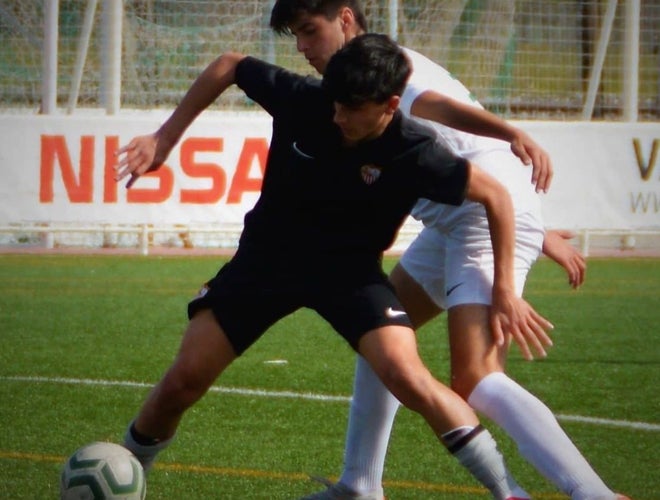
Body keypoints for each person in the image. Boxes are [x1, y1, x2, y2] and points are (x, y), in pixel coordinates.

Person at [114, 34, 552, 500]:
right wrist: (165, 137)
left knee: (409, 376)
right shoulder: (308, 99)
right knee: (184, 380)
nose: (338, 115)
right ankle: (125, 479)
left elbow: (496, 196)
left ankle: (510, 493)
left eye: (351, 108)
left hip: (349, 276)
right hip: (265, 263)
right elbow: (229, 63)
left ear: (390, 105)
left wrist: (505, 287)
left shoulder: (413, 148)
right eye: (335, 103)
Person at [268, 2, 627, 500]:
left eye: (310, 31)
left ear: (346, 19)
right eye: (296, 37)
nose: (303, 48)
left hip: (482, 216)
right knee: (379, 334)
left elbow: (436, 107)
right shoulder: (358, 81)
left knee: (476, 378)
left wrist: (510, 133)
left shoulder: (389, 72)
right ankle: (360, 484)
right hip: (463, 220)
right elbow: (459, 154)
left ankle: (595, 495)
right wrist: (535, 230)